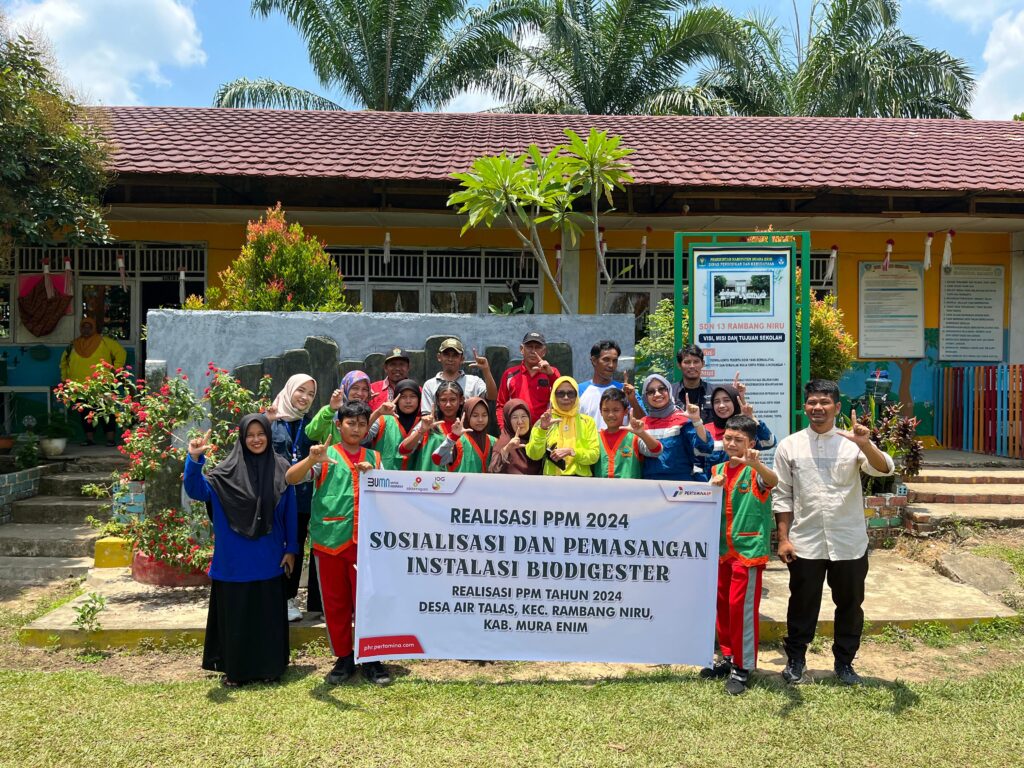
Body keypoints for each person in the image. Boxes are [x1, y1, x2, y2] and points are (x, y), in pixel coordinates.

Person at [773, 380, 895, 686]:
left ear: (837, 407)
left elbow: (884, 469)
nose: (818, 408)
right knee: (802, 603)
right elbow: (782, 495)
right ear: (805, 407)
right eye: (812, 402)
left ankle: (844, 663)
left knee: (850, 604)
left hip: (848, 540)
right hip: (806, 541)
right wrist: (784, 537)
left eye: (825, 402)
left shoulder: (852, 443)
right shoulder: (790, 445)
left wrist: (865, 443)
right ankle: (796, 659)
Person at [183, 414, 297, 687]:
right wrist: (194, 459)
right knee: (236, 618)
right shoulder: (224, 473)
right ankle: (236, 671)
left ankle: (270, 668)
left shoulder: (282, 469)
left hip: (269, 559)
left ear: (269, 436)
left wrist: (291, 548)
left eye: (261, 434)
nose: (256, 439)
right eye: (250, 434)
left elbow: (290, 513)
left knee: (266, 617)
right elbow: (196, 490)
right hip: (233, 562)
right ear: (242, 438)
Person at [285, 401, 390, 686]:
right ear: (339, 424)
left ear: (368, 427)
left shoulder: (376, 458)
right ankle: (344, 657)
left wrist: (375, 476)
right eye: (350, 423)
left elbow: (390, 497)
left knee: (368, 604)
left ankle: (371, 657)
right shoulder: (325, 456)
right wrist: (311, 460)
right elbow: (290, 478)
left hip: (366, 547)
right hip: (330, 543)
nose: (355, 428)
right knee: (335, 605)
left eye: (361, 423)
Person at [701, 415, 779, 695]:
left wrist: (756, 462)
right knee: (722, 607)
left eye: (739, 440)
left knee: (741, 611)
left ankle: (743, 667)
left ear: (751, 443)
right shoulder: (718, 469)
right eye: (729, 438)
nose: (732, 444)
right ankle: (728, 657)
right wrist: (714, 488)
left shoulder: (755, 470)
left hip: (748, 552)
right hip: (723, 552)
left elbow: (774, 481)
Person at [267, 374, 321, 622]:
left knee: (295, 545)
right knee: (272, 545)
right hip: (274, 496)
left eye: (310, 394)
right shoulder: (270, 421)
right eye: (301, 391)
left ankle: (288, 598)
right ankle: (269, 596)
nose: (305, 397)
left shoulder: (311, 425)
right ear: (289, 390)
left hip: (301, 497)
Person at [59, 317, 127, 446]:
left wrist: (115, 369)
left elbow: (121, 353)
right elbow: (64, 363)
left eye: (89, 327)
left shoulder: (105, 342)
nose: (86, 329)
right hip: (79, 386)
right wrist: (64, 379)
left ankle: (110, 440)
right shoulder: (73, 345)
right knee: (85, 413)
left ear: (94, 328)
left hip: (102, 384)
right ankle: (89, 439)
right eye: (83, 327)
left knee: (106, 411)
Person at [696, 379, 775, 481]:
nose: (721, 405)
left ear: (735, 401)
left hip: (743, 489)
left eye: (727, 400)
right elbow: (697, 462)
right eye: (716, 402)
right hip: (714, 491)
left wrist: (752, 418)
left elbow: (769, 443)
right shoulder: (705, 430)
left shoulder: (746, 428)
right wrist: (708, 486)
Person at [639, 373, 712, 482]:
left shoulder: (681, 419)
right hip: (651, 486)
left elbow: (704, 449)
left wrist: (696, 421)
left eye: (662, 389)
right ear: (645, 397)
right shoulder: (641, 425)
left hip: (681, 485)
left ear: (669, 390)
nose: (657, 394)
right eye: (651, 391)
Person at [526, 376, 599, 477]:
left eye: (570, 393)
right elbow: (534, 455)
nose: (566, 397)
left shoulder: (587, 422)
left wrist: (572, 451)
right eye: (560, 393)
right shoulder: (544, 421)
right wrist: (542, 430)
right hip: (552, 482)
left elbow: (594, 455)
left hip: (581, 482)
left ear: (576, 396)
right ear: (553, 396)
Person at [495, 331, 560, 431]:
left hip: (544, 431)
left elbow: (562, 397)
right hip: (516, 432)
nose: (533, 351)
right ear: (522, 349)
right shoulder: (510, 374)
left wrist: (551, 375)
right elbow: (501, 405)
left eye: (537, 347)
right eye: (529, 346)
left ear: (544, 351)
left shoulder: (552, 372)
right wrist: (504, 429)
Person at [594, 388, 661, 478]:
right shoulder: (595, 438)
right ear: (600, 412)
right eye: (606, 410)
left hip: (630, 491)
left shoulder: (633, 437)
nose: (610, 414)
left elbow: (657, 451)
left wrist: (642, 433)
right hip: (600, 490)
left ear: (625, 411)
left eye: (616, 410)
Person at [399, 380, 464, 471]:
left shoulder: (466, 427)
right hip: (429, 483)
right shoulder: (428, 423)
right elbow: (403, 450)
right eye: (443, 400)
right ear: (437, 401)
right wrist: (421, 431)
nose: (448, 404)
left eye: (452, 399)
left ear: (461, 400)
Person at [420, 337, 496, 415]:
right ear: (439, 357)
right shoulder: (429, 385)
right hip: (440, 426)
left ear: (462, 359)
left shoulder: (474, 382)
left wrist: (486, 370)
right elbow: (427, 415)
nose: (450, 359)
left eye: (455, 355)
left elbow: (492, 396)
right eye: (446, 355)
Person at [368, 378, 422, 470]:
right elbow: (362, 436)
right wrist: (378, 413)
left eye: (413, 396)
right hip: (384, 480)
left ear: (419, 399)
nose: (408, 401)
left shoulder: (424, 423)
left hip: (415, 482)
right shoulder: (383, 419)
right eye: (403, 397)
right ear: (396, 399)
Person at [432, 396, 495, 473]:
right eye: (475, 415)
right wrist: (452, 438)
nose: (480, 420)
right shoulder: (458, 442)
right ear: (467, 417)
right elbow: (437, 459)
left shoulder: (493, 442)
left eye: (484, 415)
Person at [488, 399, 543, 475]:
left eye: (524, 416)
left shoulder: (537, 439)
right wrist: (506, 450)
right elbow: (492, 471)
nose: (520, 422)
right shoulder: (503, 443)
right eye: (514, 417)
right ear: (508, 421)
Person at [577, 340, 623, 430]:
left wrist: (632, 400)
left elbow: (642, 422)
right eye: (606, 360)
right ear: (594, 361)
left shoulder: (624, 390)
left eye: (615, 361)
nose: (611, 365)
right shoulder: (578, 391)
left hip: (621, 444)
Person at [671, 344, 714, 423]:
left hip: (708, 435)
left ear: (703, 363)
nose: (692, 366)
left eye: (696, 362)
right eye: (687, 362)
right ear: (679, 365)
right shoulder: (670, 393)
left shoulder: (714, 392)